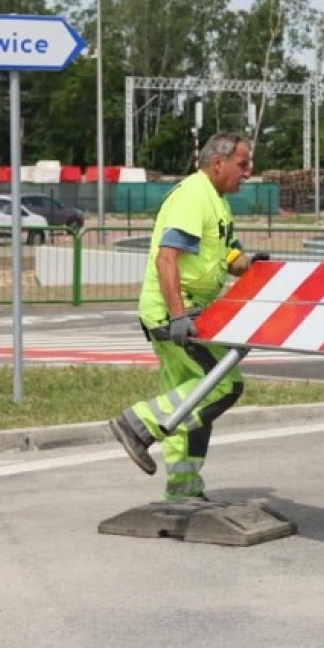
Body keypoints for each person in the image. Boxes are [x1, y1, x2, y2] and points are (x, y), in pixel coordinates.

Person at [106, 132, 259, 500]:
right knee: (222, 385)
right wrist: (177, 316)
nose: (249, 173)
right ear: (218, 163)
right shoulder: (193, 195)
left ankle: (183, 487)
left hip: (187, 311)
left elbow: (228, 256)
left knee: (187, 398)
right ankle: (139, 423)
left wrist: (250, 264)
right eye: (243, 164)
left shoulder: (217, 202)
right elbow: (166, 257)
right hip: (175, 312)